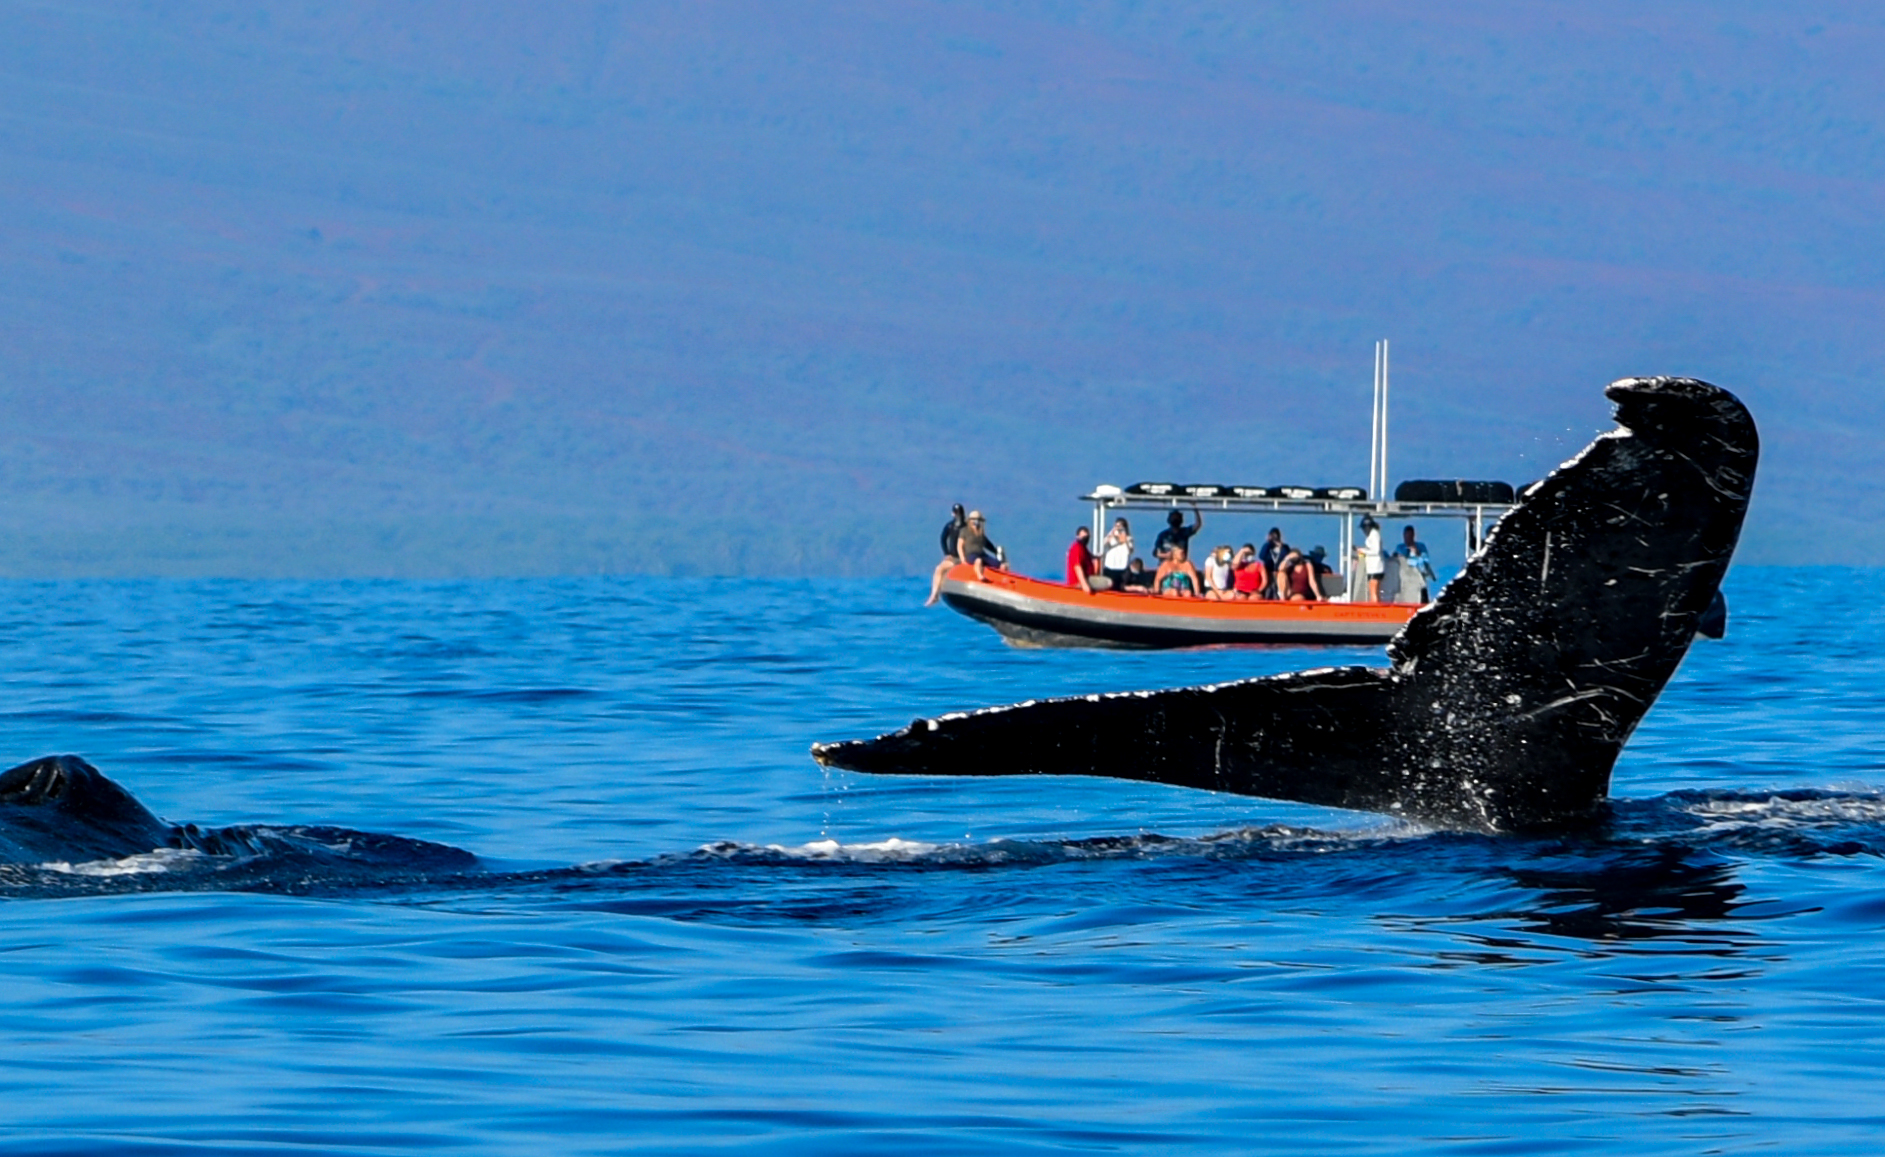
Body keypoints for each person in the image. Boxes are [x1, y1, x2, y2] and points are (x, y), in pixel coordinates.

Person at [925, 504, 968, 606]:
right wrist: (947, 553)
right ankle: (934, 595)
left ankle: (934, 595)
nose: (958, 516)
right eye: (957, 513)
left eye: (959, 513)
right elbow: (943, 539)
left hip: (963, 558)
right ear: (953, 514)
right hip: (953, 557)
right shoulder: (950, 526)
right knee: (939, 569)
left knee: (939, 569)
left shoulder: (967, 528)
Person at [1394, 525, 1439, 602]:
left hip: (1419, 578)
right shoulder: (1400, 547)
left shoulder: (1421, 547)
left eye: (1410, 536)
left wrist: (1417, 552)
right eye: (1406, 536)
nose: (1408, 538)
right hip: (1405, 579)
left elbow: (1425, 562)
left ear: (1413, 535)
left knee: (1423, 600)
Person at [957, 510, 1003, 582]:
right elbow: (959, 546)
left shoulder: (980, 532)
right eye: (975, 519)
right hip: (971, 554)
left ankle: (1001, 580)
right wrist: (963, 559)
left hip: (982, 554)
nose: (977, 521)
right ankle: (979, 576)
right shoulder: (965, 531)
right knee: (978, 561)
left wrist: (995, 551)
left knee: (1000, 564)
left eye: (978, 519)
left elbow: (987, 544)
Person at [1065, 526, 1110, 593]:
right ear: (1078, 536)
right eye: (1083, 537)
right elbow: (1077, 566)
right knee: (1108, 582)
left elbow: (1093, 560)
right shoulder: (1076, 547)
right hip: (1078, 582)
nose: (1085, 539)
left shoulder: (1084, 550)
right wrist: (1084, 585)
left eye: (1086, 537)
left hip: (1088, 578)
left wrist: (1097, 559)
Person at [1354, 515, 1385, 602]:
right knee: (1375, 591)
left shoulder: (1374, 535)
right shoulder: (1373, 535)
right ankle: (1376, 605)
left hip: (1375, 568)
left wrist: (1362, 550)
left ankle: (1375, 607)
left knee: (1373, 591)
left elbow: (1376, 550)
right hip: (1374, 567)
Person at [1099, 518, 1134, 588]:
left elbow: (1130, 550)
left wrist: (1124, 538)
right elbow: (1102, 544)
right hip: (1110, 566)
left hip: (1122, 567)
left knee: (1121, 587)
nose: (1118, 528)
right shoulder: (1111, 537)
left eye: (1120, 526)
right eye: (1116, 526)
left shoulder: (1129, 538)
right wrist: (1112, 534)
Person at [1257, 527, 1288, 599]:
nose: (1274, 538)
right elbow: (1261, 556)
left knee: (1279, 593)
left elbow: (1286, 557)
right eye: (1272, 535)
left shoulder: (1285, 547)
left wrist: (1281, 546)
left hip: (1280, 573)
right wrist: (1268, 543)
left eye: (1276, 535)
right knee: (1268, 593)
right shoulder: (1267, 547)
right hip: (1268, 573)